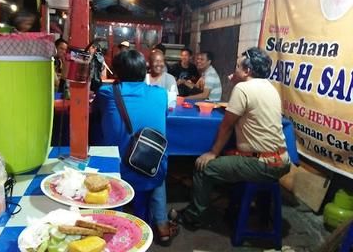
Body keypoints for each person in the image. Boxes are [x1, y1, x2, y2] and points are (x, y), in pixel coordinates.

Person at [169, 47, 291, 230]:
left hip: (261, 163)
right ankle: (243, 211)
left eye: (237, 67)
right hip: (281, 159)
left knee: (204, 167)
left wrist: (212, 152)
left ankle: (192, 217)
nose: (234, 70)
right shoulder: (269, 87)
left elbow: (226, 125)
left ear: (247, 71)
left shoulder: (243, 88)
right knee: (229, 155)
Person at [92, 50, 178, 246]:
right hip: (151, 169)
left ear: (117, 72)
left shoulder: (107, 93)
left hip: (118, 173)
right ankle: (154, 226)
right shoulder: (160, 94)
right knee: (155, 176)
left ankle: (118, 231)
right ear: (144, 70)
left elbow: (95, 112)